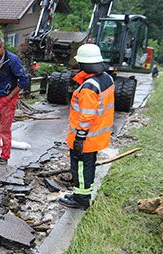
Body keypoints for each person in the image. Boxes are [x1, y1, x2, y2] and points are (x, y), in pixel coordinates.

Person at [59, 44, 115, 210]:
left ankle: (81, 199)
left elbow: (87, 115)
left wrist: (80, 137)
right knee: (88, 166)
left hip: (86, 138)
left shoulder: (89, 87)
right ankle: (81, 193)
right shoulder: (106, 79)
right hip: (97, 135)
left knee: (81, 167)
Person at [0, 37, 29, 165]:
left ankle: (5, 156)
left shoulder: (13, 60)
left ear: (2, 47)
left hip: (8, 97)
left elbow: (24, 81)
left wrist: (10, 96)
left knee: (5, 128)